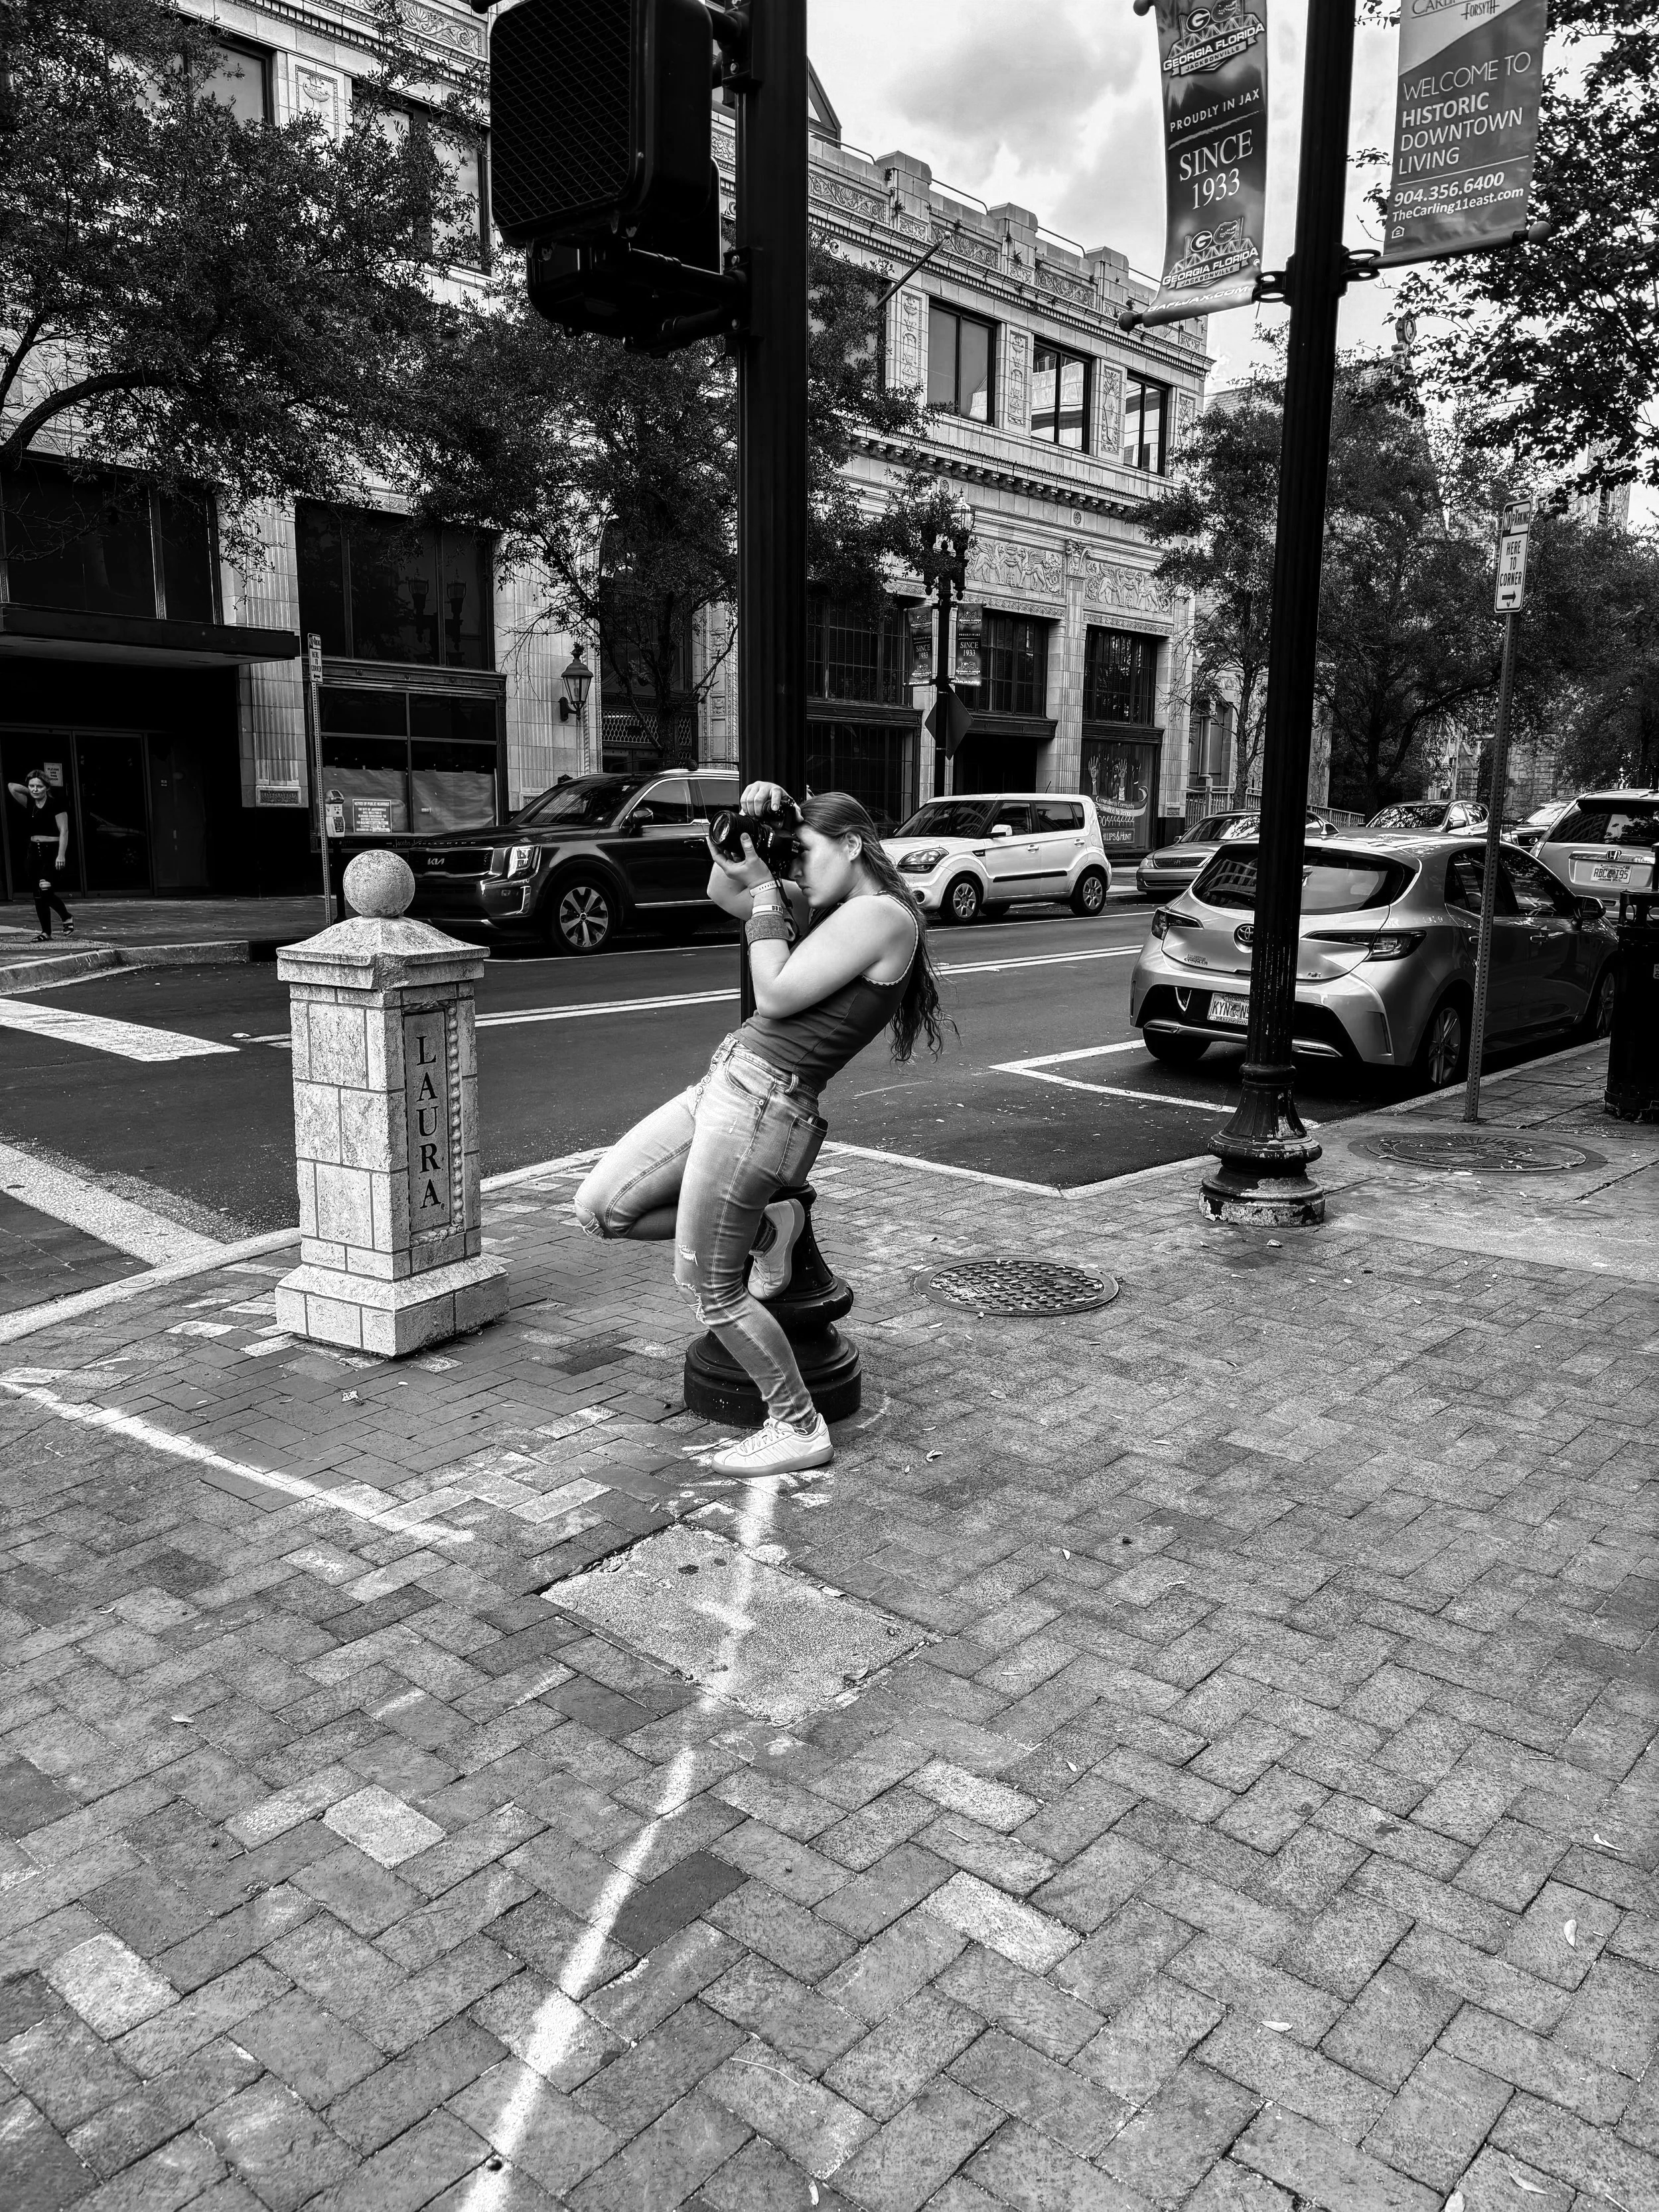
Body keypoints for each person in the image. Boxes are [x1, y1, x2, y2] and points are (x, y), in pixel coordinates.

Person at [574, 783, 946, 1477]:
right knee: (600, 1211)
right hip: (724, 1084)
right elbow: (726, 892)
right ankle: (766, 1229)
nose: (798, 868)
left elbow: (772, 991)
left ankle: (797, 1427)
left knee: (709, 1289)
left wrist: (772, 897)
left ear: (852, 846)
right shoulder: (833, 910)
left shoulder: (882, 916)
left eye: (806, 852)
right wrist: (747, 829)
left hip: (762, 1107)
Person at [6, 769, 74, 941]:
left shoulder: (56, 804)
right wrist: (31, 790)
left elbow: (64, 831)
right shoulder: (30, 803)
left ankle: (66, 916)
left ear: (46, 788)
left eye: (39, 787)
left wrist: (61, 855)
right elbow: (12, 787)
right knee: (38, 893)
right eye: (32, 786)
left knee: (45, 888)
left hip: (51, 851)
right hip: (33, 851)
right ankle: (46, 932)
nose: (35, 789)